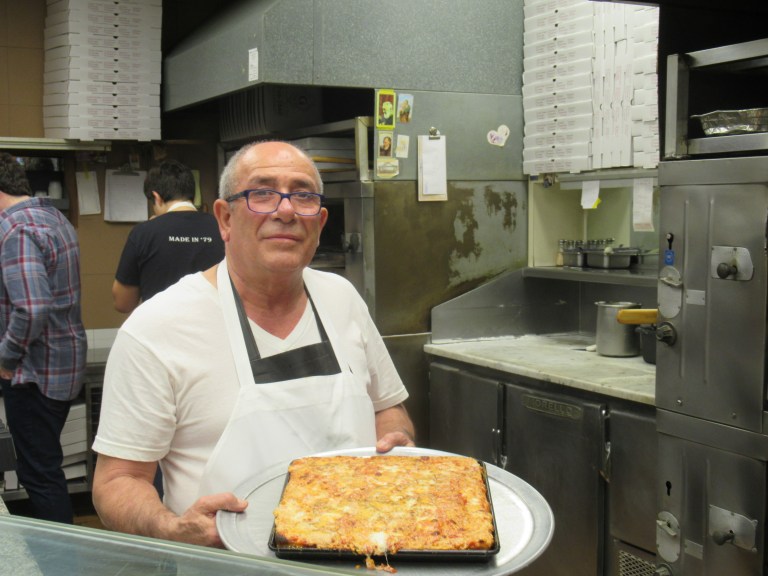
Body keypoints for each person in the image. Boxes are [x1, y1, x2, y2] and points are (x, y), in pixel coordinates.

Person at [92, 141, 415, 547]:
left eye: (303, 196)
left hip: (357, 554)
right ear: (224, 219)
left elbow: (387, 407)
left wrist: (397, 442)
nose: (286, 210)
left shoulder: (342, 297)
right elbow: (117, 480)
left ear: (320, 221)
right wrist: (171, 527)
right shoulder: (156, 328)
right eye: (262, 193)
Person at [0, 152, 87, 523]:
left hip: (34, 373)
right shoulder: (54, 218)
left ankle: (60, 561)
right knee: (46, 468)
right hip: (62, 366)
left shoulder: (15, 230)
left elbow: (32, 307)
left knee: (39, 475)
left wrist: (4, 360)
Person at [112, 159, 225, 314]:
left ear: (156, 197)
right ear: (192, 195)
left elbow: (123, 303)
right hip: (215, 331)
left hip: (160, 333)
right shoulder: (223, 228)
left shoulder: (143, 233)